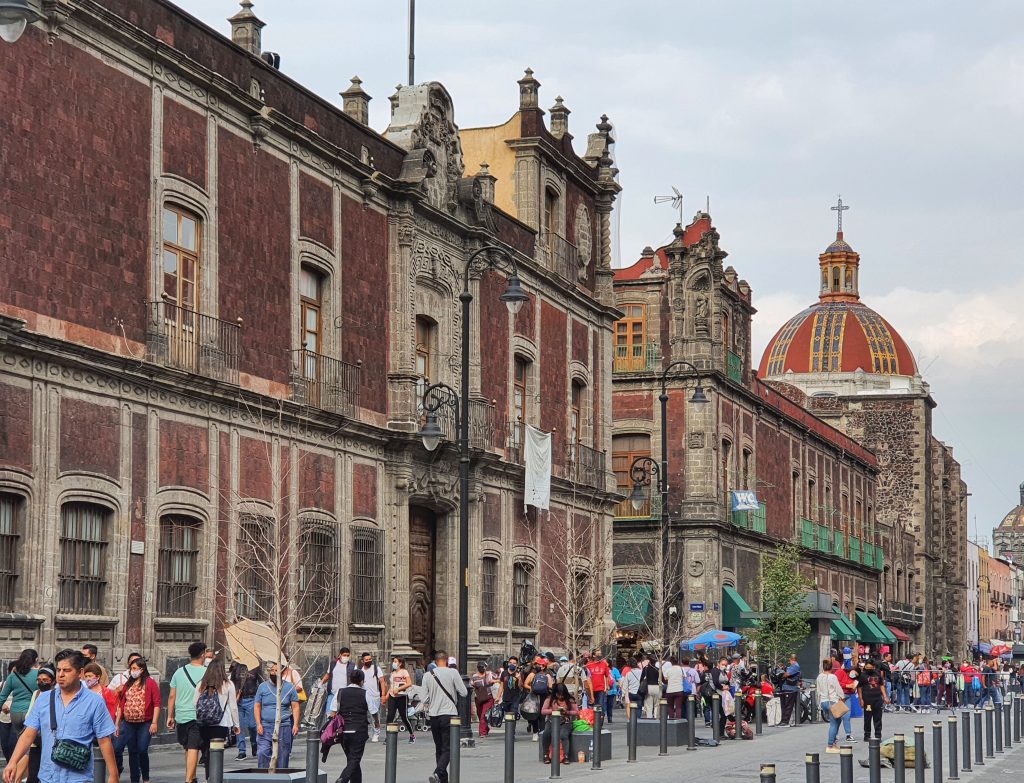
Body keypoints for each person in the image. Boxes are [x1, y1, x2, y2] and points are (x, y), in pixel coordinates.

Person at [2, 649, 117, 783]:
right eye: (58, 670)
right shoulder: (43, 699)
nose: (61, 675)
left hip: (79, 777)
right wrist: (13, 762)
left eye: (66, 670)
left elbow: (104, 740)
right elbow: (28, 734)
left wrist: (113, 775)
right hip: (47, 776)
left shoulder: (94, 702)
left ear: (80, 673)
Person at [167, 641, 209, 783]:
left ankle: (192, 776)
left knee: (188, 747)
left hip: (181, 715)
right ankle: (188, 779)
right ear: (203, 655)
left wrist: (170, 716)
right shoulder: (206, 672)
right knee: (193, 747)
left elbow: (172, 695)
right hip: (196, 715)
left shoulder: (179, 672)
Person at [114, 657, 161, 783]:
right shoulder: (128, 684)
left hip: (145, 723)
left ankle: (145, 777)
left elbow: (157, 703)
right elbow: (121, 704)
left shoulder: (150, 683)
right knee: (131, 751)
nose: (132, 671)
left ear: (142, 669)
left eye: (135, 668)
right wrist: (117, 723)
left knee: (142, 749)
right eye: (131, 669)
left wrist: (154, 722)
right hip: (128, 722)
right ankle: (134, 779)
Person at [423, 651, 467, 783]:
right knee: (449, 747)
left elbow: (424, 698)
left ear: (435, 662)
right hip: (449, 714)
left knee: (439, 747)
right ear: (447, 660)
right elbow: (464, 692)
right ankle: (438, 772)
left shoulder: (427, 675)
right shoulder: (453, 673)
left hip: (434, 715)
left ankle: (443, 779)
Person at [193, 657, 239, 779]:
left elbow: (194, 703)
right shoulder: (228, 685)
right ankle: (216, 778)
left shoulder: (201, 684)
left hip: (204, 723)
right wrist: (236, 725)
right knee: (217, 752)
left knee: (207, 752)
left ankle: (209, 777)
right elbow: (233, 706)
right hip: (221, 724)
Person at [254, 662, 300, 769]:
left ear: (283, 672)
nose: (274, 673)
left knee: (283, 755)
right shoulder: (262, 687)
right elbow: (257, 706)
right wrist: (258, 724)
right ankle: (264, 778)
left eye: (276, 671)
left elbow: (295, 707)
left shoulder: (289, 687)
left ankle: (281, 778)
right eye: (272, 670)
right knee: (262, 752)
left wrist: (296, 724)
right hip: (265, 726)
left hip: (283, 726)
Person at [334, 668, 370, 783]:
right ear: (362, 681)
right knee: (354, 759)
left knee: (352, 760)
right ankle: (342, 779)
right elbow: (373, 711)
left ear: (350, 679)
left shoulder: (340, 692)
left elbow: (333, 710)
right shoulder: (365, 693)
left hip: (343, 731)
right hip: (359, 730)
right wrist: (377, 724)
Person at [0, 649, 38, 753]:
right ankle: (26, 767)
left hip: (15, 713)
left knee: (19, 742)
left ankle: (16, 764)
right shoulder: (39, 674)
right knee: (30, 745)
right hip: (31, 712)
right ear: (36, 660)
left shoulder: (13, 675)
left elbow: (2, 697)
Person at [229, 661, 260, 761]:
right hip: (239, 700)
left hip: (252, 699)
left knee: (252, 725)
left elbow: (261, 682)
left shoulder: (255, 665)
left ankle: (254, 744)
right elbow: (232, 682)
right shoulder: (236, 666)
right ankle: (242, 751)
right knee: (239, 726)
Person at [540, 684, 578, 765]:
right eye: (558, 695)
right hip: (552, 721)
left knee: (564, 735)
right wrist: (553, 710)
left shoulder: (570, 700)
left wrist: (567, 712)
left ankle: (566, 756)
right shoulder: (550, 699)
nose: (560, 697)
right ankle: (545, 755)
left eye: (562, 695)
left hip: (565, 721)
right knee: (546, 733)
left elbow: (576, 712)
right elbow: (543, 711)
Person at [383, 656, 415, 742]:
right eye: (394, 661)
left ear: (400, 663)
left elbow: (409, 683)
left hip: (401, 697)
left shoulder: (404, 672)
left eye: (395, 661)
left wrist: (399, 689)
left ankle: (412, 734)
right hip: (392, 697)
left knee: (404, 717)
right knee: (390, 716)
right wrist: (386, 696)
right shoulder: (393, 673)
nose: (394, 663)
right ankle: (388, 736)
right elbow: (391, 686)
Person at [816, 659, 845, 753]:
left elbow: (818, 690)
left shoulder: (819, 676)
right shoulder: (833, 677)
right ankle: (830, 745)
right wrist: (842, 697)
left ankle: (834, 741)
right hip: (832, 701)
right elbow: (838, 689)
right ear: (831, 667)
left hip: (824, 701)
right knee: (833, 723)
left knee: (838, 719)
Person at [858, 659, 889, 742]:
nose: (868, 669)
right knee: (867, 718)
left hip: (877, 699)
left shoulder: (878, 674)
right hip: (867, 700)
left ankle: (878, 735)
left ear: (873, 667)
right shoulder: (862, 675)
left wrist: (885, 696)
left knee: (878, 718)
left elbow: (881, 685)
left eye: (870, 667)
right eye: (867, 667)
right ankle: (867, 735)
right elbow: (859, 688)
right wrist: (861, 699)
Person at [358, 653, 387, 742]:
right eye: (366, 660)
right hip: (364, 696)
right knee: (363, 716)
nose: (369, 661)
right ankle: (364, 733)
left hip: (375, 696)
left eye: (370, 659)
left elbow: (382, 682)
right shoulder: (360, 670)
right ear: (362, 661)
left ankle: (376, 733)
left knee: (375, 716)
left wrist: (383, 695)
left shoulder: (376, 668)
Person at [470, 662, 495, 739]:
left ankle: (482, 732)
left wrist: (493, 681)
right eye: (480, 667)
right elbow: (471, 684)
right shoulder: (474, 676)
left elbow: (499, 679)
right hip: (479, 698)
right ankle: (486, 728)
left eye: (483, 667)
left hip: (488, 697)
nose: (481, 668)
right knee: (480, 714)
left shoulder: (489, 674)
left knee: (483, 715)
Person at [585, 650, 612, 715]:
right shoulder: (589, 664)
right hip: (590, 689)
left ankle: (600, 722)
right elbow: (585, 678)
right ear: (594, 655)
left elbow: (607, 675)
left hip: (601, 689)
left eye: (600, 653)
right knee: (591, 707)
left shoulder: (604, 664)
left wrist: (607, 686)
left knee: (600, 707)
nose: (600, 655)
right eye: (598, 654)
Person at [779, 653, 801, 727]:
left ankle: (785, 722)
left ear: (791, 659)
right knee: (785, 705)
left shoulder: (795, 666)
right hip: (786, 688)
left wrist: (781, 674)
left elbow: (787, 674)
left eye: (790, 659)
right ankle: (783, 721)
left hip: (790, 689)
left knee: (788, 706)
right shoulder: (792, 666)